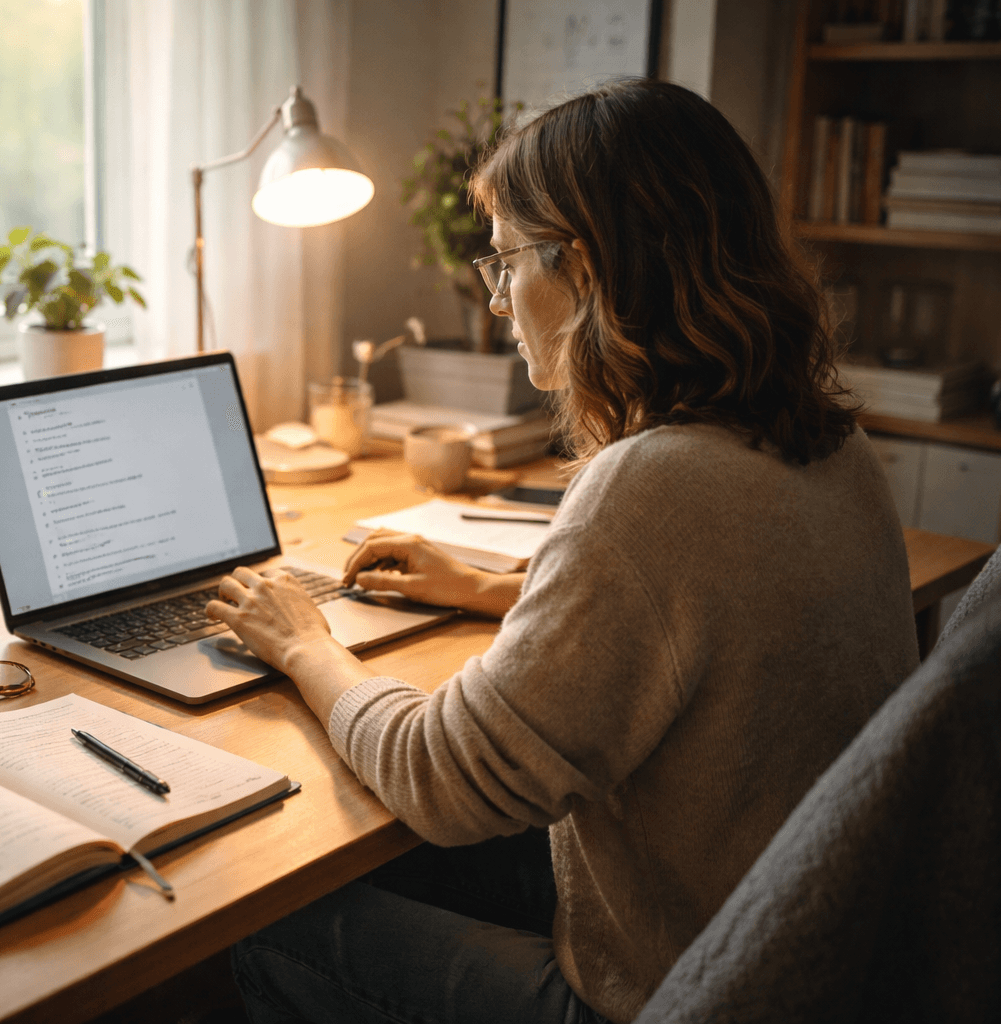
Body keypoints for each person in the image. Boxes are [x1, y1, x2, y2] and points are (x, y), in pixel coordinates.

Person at [205, 79, 920, 1024]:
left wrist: (304, 645)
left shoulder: (650, 488)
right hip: (798, 954)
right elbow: (715, 623)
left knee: (258, 920)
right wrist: (498, 587)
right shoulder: (832, 443)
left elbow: (441, 776)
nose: (499, 299)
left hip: (672, 989)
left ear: (580, 269)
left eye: (504, 263)